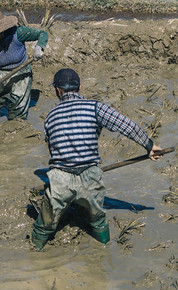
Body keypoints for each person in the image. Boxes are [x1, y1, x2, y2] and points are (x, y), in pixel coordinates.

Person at [30, 68, 163, 251]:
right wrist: (149, 145)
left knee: (44, 225)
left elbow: (52, 147)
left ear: (58, 91)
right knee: (98, 219)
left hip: (60, 179)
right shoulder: (95, 107)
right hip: (90, 177)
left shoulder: (50, 117)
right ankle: (104, 249)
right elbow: (126, 125)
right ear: (80, 88)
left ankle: (35, 250)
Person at [0, 7, 48, 121]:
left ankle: (16, 126)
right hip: (0, 73)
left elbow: (42, 34)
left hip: (21, 70)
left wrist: (39, 47)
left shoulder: (18, 32)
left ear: (2, 29)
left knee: (18, 105)